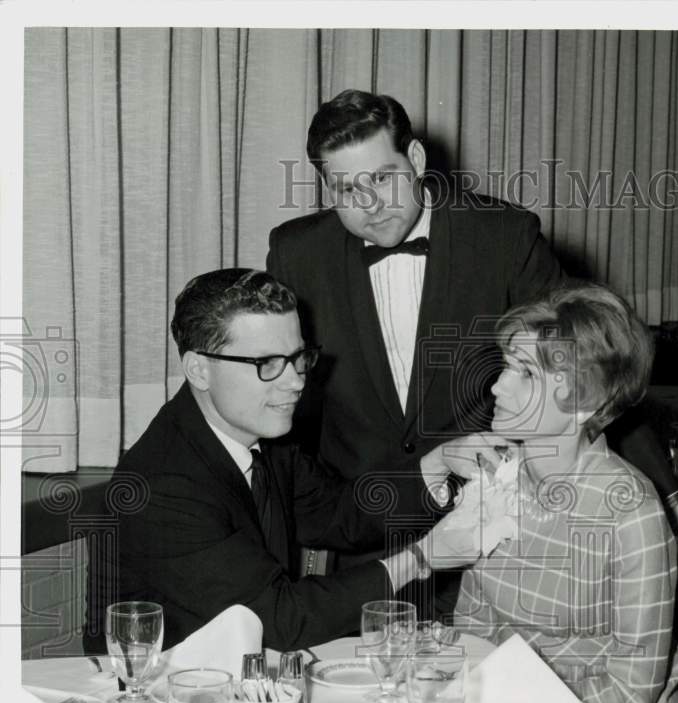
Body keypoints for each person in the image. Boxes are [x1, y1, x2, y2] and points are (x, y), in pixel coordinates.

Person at [266, 88, 678, 601]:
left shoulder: (500, 237)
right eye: (347, 189)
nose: (369, 206)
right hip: (366, 547)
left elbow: (592, 361)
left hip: (496, 539)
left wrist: (670, 496)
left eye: (382, 178)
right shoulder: (298, 253)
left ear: (415, 160)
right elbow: (284, 410)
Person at [85, 268, 493, 653]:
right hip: (159, 699)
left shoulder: (264, 437)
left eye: (299, 357)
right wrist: (422, 558)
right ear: (199, 369)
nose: (296, 381)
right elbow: (280, 620)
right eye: (267, 364)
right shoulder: (164, 485)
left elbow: (339, 515)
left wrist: (437, 463)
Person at [453, 282, 678, 703]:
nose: (498, 386)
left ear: (583, 403)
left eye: (525, 373)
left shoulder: (630, 510)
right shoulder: (493, 481)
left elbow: (632, 690)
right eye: (506, 366)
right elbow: (471, 628)